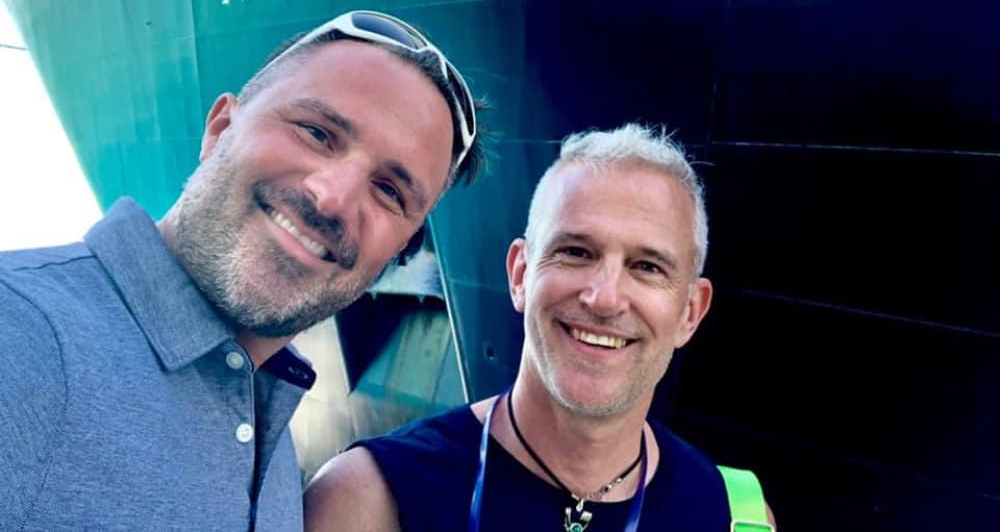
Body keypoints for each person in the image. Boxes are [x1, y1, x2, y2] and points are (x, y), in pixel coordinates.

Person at [0, 10, 484, 530]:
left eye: (389, 191)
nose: (333, 197)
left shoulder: (267, 432)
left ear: (400, 249)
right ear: (220, 128)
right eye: (317, 133)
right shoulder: (20, 338)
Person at [304, 123, 775, 531]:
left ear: (691, 312)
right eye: (576, 252)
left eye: (647, 267)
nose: (605, 298)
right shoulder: (367, 500)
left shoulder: (737, 517)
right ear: (520, 275)